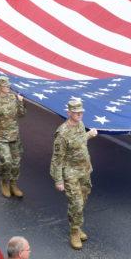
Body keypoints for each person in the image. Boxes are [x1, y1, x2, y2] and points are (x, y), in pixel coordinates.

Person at [50, 98, 98, 249]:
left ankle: (77, 225)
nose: (79, 114)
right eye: (76, 112)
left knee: (82, 200)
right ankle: (74, 232)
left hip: (84, 170)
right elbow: (57, 159)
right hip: (70, 173)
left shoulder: (81, 125)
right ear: (69, 112)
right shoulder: (62, 133)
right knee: (76, 203)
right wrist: (58, 180)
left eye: (81, 112)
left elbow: (80, 143)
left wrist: (88, 135)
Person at [0, 75, 26, 198]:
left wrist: (20, 102)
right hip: (0, 137)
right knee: (6, 161)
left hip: (14, 136)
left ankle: (13, 184)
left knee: (16, 162)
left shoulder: (13, 98)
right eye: (5, 85)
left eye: (8, 85)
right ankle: (4, 182)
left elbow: (22, 114)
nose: (8, 87)